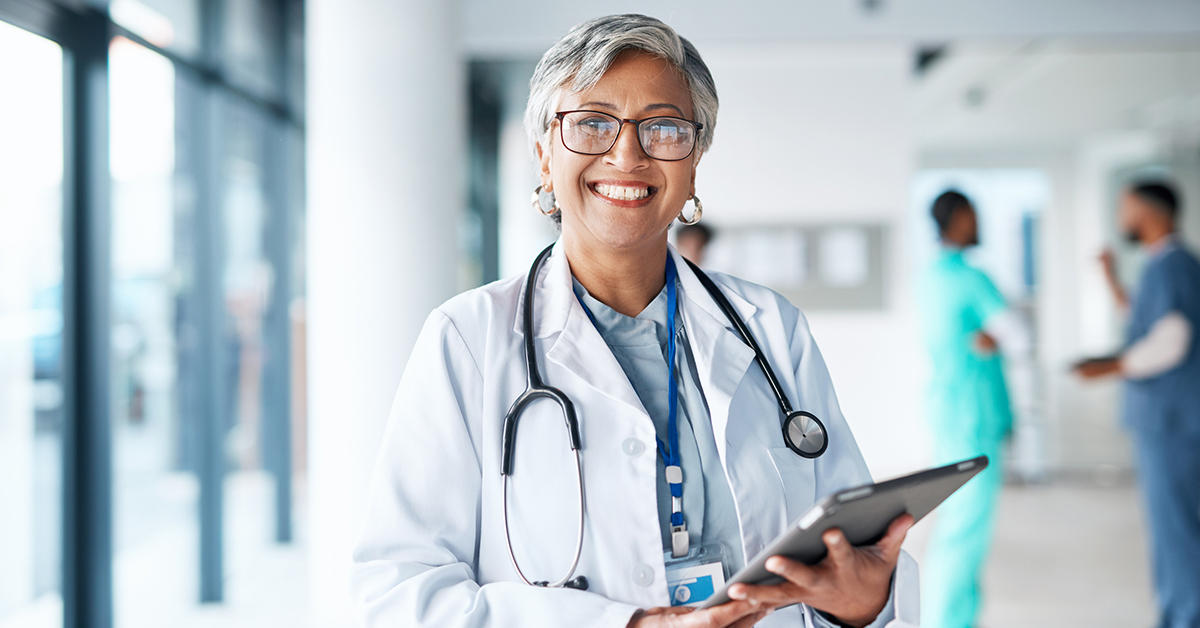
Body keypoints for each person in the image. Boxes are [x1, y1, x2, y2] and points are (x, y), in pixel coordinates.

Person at [351, 14, 917, 628]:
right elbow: (398, 592)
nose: (627, 154)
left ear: (694, 161)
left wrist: (866, 605)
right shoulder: (467, 339)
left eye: (664, 128)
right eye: (592, 123)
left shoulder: (771, 329)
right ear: (544, 156)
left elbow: (850, 550)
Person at [1074, 180, 1200, 628]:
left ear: (1150, 211)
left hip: (1174, 424)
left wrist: (1110, 367)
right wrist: (1110, 279)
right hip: (1169, 422)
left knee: (1179, 534)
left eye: (1125, 207)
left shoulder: (1172, 266)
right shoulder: (1166, 266)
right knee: (1172, 532)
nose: (1121, 217)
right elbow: (1147, 321)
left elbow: (1170, 341)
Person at [917, 190, 1027, 628]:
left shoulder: (930, 276)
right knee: (966, 532)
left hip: (949, 412)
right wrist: (996, 337)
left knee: (957, 525)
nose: (977, 222)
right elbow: (1019, 336)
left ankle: (955, 617)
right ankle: (948, 621)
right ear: (958, 219)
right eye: (973, 215)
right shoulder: (970, 277)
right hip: (975, 418)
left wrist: (990, 337)